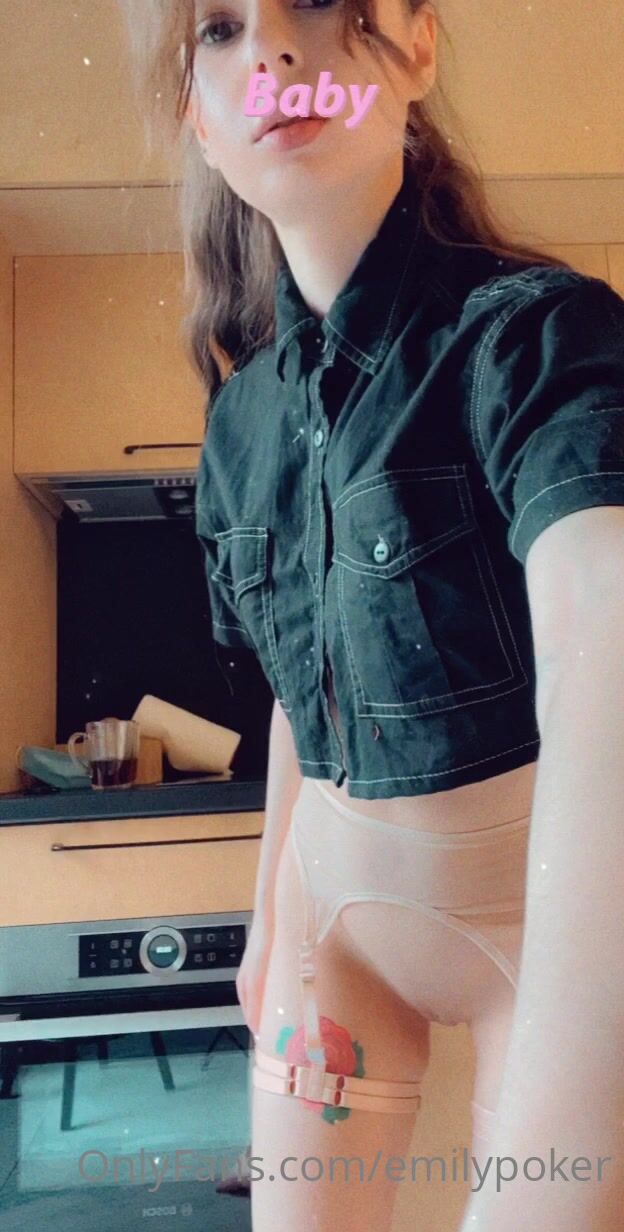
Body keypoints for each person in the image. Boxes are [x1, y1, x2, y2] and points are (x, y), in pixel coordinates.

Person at [121, 3, 624, 1229]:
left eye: (317, 1)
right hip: (328, 932)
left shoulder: (536, 337)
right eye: (221, 29)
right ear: (200, 116)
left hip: (538, 940)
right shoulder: (241, 424)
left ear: (417, 45)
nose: (272, 54)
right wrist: (265, 915)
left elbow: (604, 633)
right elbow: (302, 693)